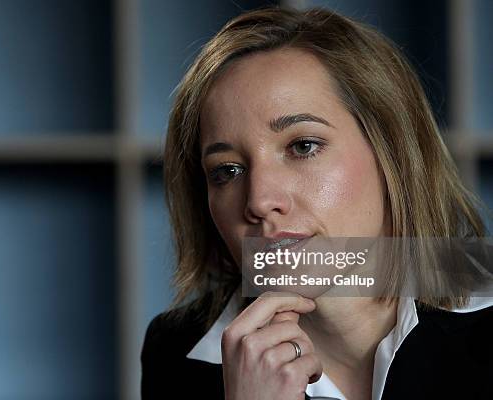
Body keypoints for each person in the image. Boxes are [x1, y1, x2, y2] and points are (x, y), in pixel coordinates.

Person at [141, 6, 493, 400]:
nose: (259, 201)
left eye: (302, 146)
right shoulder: (175, 351)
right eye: (227, 171)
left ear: (392, 152)